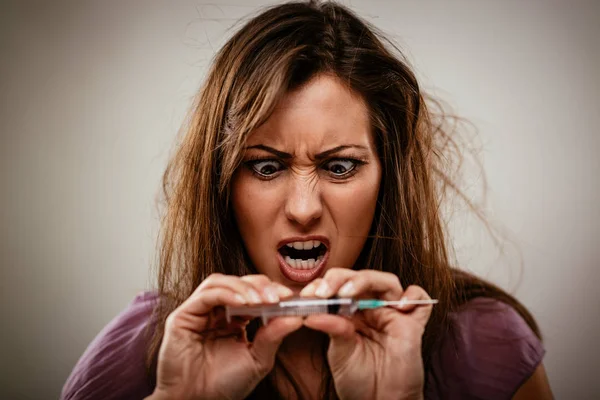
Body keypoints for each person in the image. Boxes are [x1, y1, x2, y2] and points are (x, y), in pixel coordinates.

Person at [61, 1, 554, 399]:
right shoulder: (135, 359)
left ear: (390, 177)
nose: (303, 209)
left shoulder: (484, 345)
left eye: (340, 167)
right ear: (220, 181)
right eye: (266, 167)